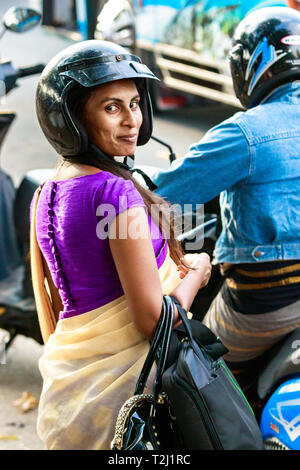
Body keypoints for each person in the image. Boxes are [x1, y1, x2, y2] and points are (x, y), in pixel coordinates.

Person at [30, 40, 211, 450]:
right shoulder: (114, 194)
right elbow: (153, 321)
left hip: (72, 397)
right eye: (112, 107)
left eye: (134, 103)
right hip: (126, 402)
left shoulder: (48, 191)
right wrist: (196, 274)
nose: (132, 120)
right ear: (73, 120)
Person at [151, 6, 300, 405]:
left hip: (267, 299)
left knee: (187, 371)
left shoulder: (247, 131)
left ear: (255, 65)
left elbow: (160, 196)